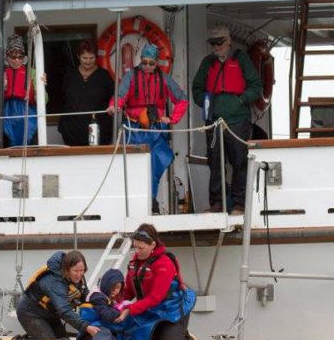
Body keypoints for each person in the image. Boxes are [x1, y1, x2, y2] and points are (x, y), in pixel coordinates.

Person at [107, 43, 188, 213]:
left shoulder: (164, 79)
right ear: (140, 61)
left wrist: (172, 118)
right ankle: (133, 202)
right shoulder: (130, 77)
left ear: (157, 63)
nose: (147, 66)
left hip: (155, 130)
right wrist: (114, 106)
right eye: (144, 62)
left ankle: (151, 199)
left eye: (151, 63)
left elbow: (182, 99)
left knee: (155, 164)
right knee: (131, 166)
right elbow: (120, 96)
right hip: (133, 130)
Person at [191, 25, 262, 213]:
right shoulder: (208, 63)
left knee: (239, 162)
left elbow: (256, 86)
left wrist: (241, 100)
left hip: (237, 120)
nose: (216, 47)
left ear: (228, 41)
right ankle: (217, 203)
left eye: (219, 43)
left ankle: (239, 203)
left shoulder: (242, 60)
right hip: (214, 121)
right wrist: (206, 103)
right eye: (213, 43)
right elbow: (197, 89)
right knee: (214, 162)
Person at [116, 223, 196, 340]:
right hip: (148, 309)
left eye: (141, 248)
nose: (137, 251)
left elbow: (155, 297)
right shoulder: (135, 262)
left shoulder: (165, 264)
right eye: (135, 247)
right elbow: (129, 292)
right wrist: (115, 303)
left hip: (171, 309)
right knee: (132, 335)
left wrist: (129, 309)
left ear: (152, 245)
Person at [17, 249, 101, 340]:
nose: (79, 274)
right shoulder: (55, 282)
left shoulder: (78, 276)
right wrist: (86, 327)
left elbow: (85, 295)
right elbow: (64, 311)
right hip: (30, 313)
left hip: (51, 314)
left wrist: (102, 301)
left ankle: (36, 336)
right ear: (67, 269)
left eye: (82, 270)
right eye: (75, 271)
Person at [59, 39, 114, 146]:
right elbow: (63, 97)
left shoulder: (104, 76)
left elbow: (113, 98)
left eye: (91, 58)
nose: (88, 61)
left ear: (96, 57)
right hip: (71, 131)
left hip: (99, 131)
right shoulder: (70, 75)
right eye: (84, 58)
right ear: (78, 56)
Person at [2, 34, 40, 147]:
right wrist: (1, 92)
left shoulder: (32, 72)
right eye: (13, 57)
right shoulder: (0, 73)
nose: (17, 60)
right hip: (7, 116)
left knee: (31, 148)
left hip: (28, 117)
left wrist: (39, 92)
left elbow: (45, 99)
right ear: (7, 57)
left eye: (20, 57)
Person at [76, 268, 126, 340]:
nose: (114, 290)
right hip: (89, 333)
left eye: (117, 287)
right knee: (105, 333)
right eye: (112, 286)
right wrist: (119, 311)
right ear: (106, 284)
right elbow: (107, 316)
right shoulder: (97, 296)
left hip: (98, 331)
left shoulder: (108, 297)